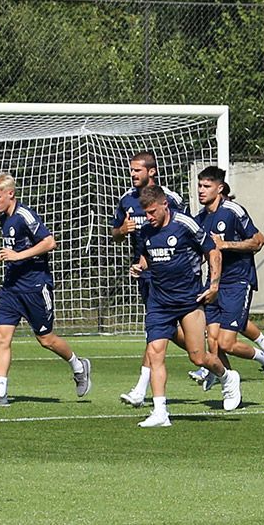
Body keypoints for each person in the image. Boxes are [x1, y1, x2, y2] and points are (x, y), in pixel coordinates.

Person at [0, 171, 92, 406]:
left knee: (46, 339)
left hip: (34, 286)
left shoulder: (25, 215)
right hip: (12, 287)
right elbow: (13, 248)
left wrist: (18, 256)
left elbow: (50, 242)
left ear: (10, 194)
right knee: (2, 337)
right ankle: (0, 393)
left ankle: (78, 366)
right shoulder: (4, 217)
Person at [128, 184, 226, 427]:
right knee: (155, 352)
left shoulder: (185, 224)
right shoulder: (145, 231)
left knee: (199, 357)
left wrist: (213, 285)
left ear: (164, 205)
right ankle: (161, 412)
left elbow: (213, 251)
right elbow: (148, 259)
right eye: (146, 213)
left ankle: (226, 375)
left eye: (152, 212)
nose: (149, 217)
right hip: (159, 302)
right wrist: (140, 267)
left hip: (188, 300)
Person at [193, 166, 264, 402]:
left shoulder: (233, 211)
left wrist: (227, 245)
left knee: (226, 342)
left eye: (206, 186)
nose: (201, 191)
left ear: (220, 188)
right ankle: (230, 387)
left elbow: (258, 241)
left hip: (237, 282)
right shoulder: (199, 218)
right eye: (200, 185)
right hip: (214, 284)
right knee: (212, 341)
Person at [112, 150, 184, 406]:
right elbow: (115, 234)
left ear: (151, 172)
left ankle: (211, 363)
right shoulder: (126, 200)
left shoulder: (170, 199)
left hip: (171, 274)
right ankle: (209, 362)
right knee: (161, 330)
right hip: (145, 273)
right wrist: (123, 230)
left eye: (137, 170)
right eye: (131, 170)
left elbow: (185, 229)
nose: (132, 174)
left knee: (161, 330)